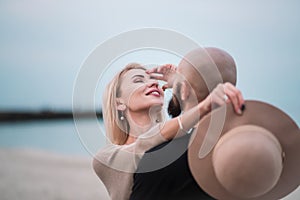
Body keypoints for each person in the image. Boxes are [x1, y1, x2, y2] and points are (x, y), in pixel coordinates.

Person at [93, 58, 244, 199]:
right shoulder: (106, 158)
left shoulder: (178, 143)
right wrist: (202, 106)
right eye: (139, 80)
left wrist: (185, 86)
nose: (153, 84)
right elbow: (144, 145)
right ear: (119, 103)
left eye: (154, 80)